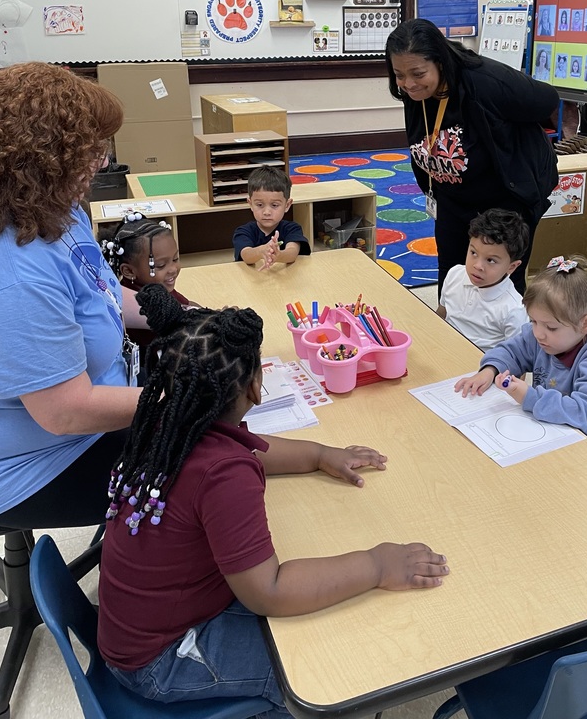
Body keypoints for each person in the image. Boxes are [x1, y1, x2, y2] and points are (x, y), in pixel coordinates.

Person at [97, 285, 448, 708]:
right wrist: (377, 564)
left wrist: (319, 454)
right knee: (324, 673)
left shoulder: (169, 425)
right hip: (160, 660)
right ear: (255, 388)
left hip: (135, 626)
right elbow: (271, 591)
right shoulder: (223, 474)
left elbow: (246, 449)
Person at [0, 61, 146, 527]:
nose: (105, 161)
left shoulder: (55, 207)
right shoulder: (14, 276)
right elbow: (65, 413)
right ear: (46, 156)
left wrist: (178, 314)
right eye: (92, 149)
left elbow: (102, 296)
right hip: (29, 463)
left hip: (91, 401)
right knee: (203, 472)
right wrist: (175, 397)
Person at [385, 19, 558, 294]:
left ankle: (509, 337)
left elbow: (547, 99)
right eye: (399, 75)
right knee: (453, 277)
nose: (408, 84)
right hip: (453, 197)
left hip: (504, 200)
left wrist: (507, 129)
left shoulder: (485, 80)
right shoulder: (416, 91)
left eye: (418, 74)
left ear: (440, 62)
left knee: (496, 282)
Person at [454, 255, 587, 463]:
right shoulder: (545, 334)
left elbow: (586, 414)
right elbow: (513, 351)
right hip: (559, 431)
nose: (538, 333)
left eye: (551, 327)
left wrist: (529, 397)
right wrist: (490, 370)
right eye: (534, 321)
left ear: (586, 325)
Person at [101, 212, 200, 363]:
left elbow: (185, 305)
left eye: (175, 259)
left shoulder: (155, 286)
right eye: (160, 265)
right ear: (128, 271)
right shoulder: (142, 306)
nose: (173, 269)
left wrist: (210, 313)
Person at [437, 209, 528, 351]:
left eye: (491, 260)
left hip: (480, 368)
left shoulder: (514, 309)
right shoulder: (454, 274)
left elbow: (517, 361)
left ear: (512, 267)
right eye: (473, 253)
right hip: (442, 352)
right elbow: (441, 315)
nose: (478, 266)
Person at [233, 166, 310, 270]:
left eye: (274, 205)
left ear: (287, 205)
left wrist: (277, 255)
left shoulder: (292, 229)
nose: (266, 212)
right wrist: (261, 251)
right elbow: (246, 255)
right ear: (250, 204)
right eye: (260, 205)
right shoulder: (243, 231)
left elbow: (292, 253)